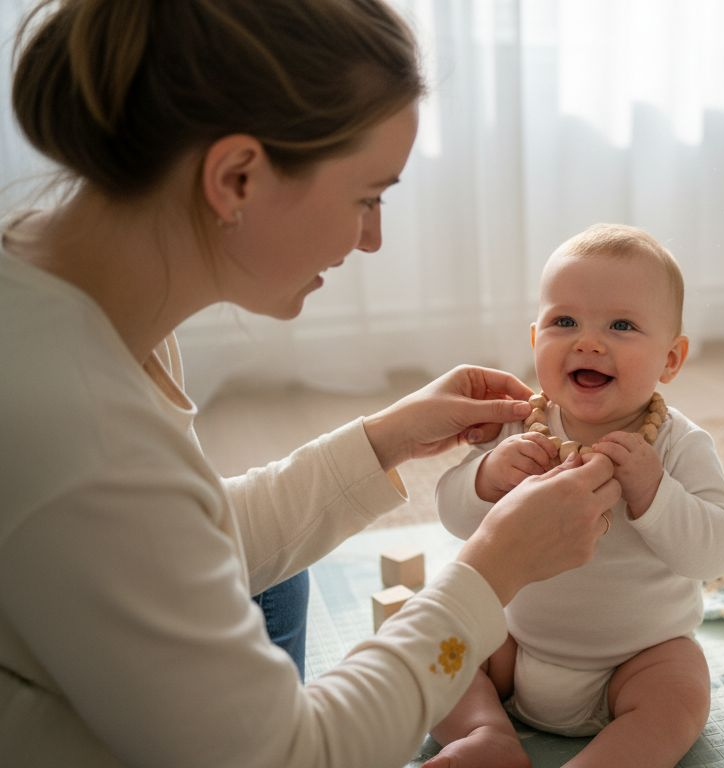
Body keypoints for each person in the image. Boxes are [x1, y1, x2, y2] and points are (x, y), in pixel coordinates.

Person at [0, 1, 621, 766]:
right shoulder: (77, 430)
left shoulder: (84, 310)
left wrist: (383, 440)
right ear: (236, 177)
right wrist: (493, 570)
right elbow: (287, 754)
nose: (373, 238)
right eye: (368, 197)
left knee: (277, 584)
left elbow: (174, 534)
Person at [430, 224, 724, 767]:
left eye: (621, 325)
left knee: (682, 691)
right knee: (435, 651)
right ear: (535, 341)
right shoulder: (520, 429)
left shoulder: (677, 445)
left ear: (671, 359)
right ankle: (485, 737)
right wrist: (487, 477)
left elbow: (718, 551)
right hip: (516, 643)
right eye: (565, 321)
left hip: (637, 661)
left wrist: (654, 494)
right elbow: (453, 515)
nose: (589, 341)